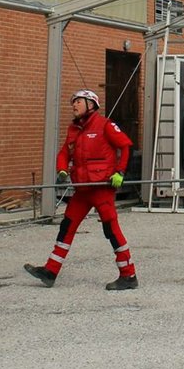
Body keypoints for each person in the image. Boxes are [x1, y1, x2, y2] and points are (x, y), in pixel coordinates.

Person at [24, 89, 138, 290]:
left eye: (78, 101)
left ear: (91, 104)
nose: (74, 105)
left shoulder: (105, 125)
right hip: (82, 190)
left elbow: (125, 146)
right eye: (73, 102)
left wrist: (120, 172)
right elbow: (63, 153)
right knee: (67, 226)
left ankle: (128, 276)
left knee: (111, 229)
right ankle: (50, 270)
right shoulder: (73, 130)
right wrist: (61, 170)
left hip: (101, 188)